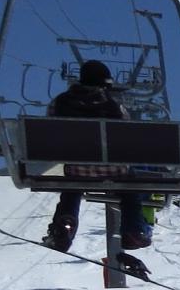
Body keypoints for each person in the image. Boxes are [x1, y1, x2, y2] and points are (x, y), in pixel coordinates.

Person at [41, 60, 152, 277]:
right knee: (130, 192)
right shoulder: (113, 107)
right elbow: (127, 137)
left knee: (72, 188)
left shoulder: (60, 103)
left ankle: (65, 223)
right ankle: (133, 229)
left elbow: (50, 132)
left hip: (76, 169)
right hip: (114, 170)